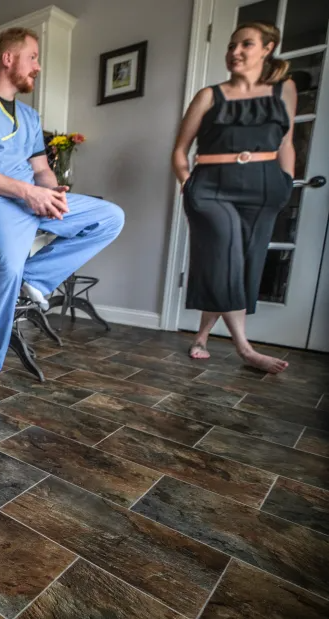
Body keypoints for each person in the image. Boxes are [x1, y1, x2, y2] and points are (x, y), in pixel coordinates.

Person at [0, 27, 125, 393]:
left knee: (109, 217)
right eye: (33, 57)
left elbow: (40, 168)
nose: (37, 66)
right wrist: (28, 193)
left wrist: (51, 190)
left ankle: (37, 277)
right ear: (8, 58)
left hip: (28, 198)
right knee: (7, 266)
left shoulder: (29, 117)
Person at [172, 21, 296, 373]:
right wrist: (187, 183)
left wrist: (286, 182)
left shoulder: (284, 90)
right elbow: (180, 151)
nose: (235, 52)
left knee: (240, 267)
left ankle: (202, 335)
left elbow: (286, 143)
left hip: (265, 187)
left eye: (246, 44)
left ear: (267, 48)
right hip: (211, 187)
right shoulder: (210, 96)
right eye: (231, 46)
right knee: (225, 256)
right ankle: (245, 348)